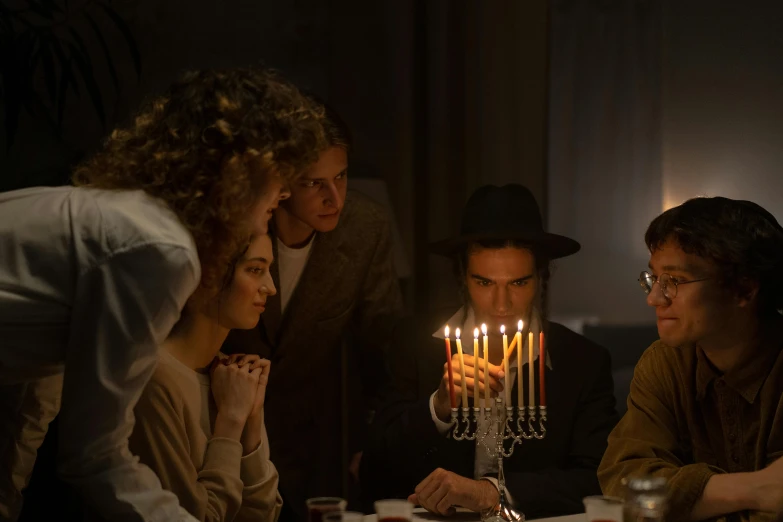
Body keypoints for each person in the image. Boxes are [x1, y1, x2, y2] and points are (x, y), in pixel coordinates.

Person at [0, 67, 325, 521]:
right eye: (277, 172)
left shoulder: (122, 217)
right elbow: (94, 455)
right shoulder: (158, 247)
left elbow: (34, 396)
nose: (286, 190)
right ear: (237, 171)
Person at [361, 184, 618, 519]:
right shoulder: (414, 344)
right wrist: (437, 408)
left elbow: (599, 479)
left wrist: (492, 493)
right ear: (462, 278)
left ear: (541, 278)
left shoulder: (582, 361)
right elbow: (374, 471)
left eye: (518, 283)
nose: (501, 305)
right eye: (484, 283)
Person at [223, 101, 403, 519]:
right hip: (227, 426)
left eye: (341, 177)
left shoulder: (364, 228)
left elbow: (380, 344)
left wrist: (373, 440)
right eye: (313, 184)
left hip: (317, 439)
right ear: (281, 183)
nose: (334, 197)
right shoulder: (238, 226)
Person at [598, 197, 783, 521]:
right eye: (654, 278)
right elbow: (622, 483)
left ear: (744, 289)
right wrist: (751, 489)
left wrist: (689, 501)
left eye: (675, 281)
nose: (654, 298)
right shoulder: (664, 364)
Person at [130, 234, 282, 522]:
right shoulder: (153, 379)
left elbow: (264, 515)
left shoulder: (231, 376)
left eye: (269, 270)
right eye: (255, 270)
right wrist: (231, 424)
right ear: (206, 276)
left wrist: (250, 424)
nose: (271, 288)